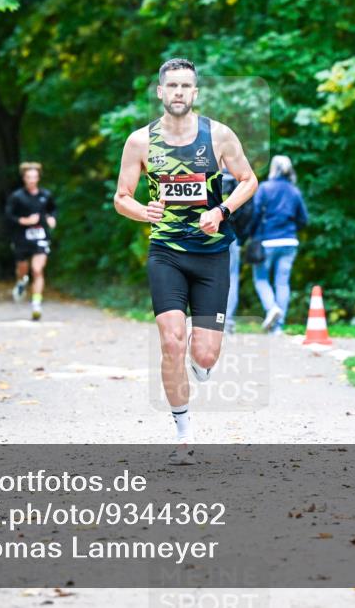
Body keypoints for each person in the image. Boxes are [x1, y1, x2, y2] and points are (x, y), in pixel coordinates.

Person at [114, 58, 257, 465]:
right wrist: (144, 212)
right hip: (167, 254)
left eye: (185, 86)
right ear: (160, 92)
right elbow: (121, 197)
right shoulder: (140, 142)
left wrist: (222, 212)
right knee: (171, 341)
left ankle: (203, 363)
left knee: (205, 355)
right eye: (171, 86)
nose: (178, 92)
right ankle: (182, 432)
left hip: (212, 254)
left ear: (195, 93)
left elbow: (249, 180)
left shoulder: (219, 136)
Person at [248, 155, 308, 334]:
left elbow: (255, 214)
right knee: (282, 283)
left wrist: (251, 235)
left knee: (260, 279)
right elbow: (303, 219)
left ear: (273, 168)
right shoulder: (294, 191)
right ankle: (278, 327)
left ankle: (271, 308)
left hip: (267, 240)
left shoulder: (265, 189)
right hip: (289, 240)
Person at [7, 162, 57, 321]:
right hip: (22, 238)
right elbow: (9, 216)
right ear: (24, 178)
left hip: (41, 237)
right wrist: (23, 221)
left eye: (35, 177)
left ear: (38, 178)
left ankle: (36, 303)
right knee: (22, 269)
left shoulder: (46, 195)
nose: (32, 180)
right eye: (29, 177)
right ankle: (21, 282)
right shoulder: (17, 197)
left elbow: (52, 209)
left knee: (37, 270)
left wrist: (51, 219)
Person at [221, 169, 254, 333]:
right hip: (231, 235)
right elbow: (248, 211)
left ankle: (206, 322)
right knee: (231, 277)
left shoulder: (203, 175)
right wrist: (241, 235)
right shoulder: (240, 182)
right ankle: (227, 322)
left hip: (203, 234)